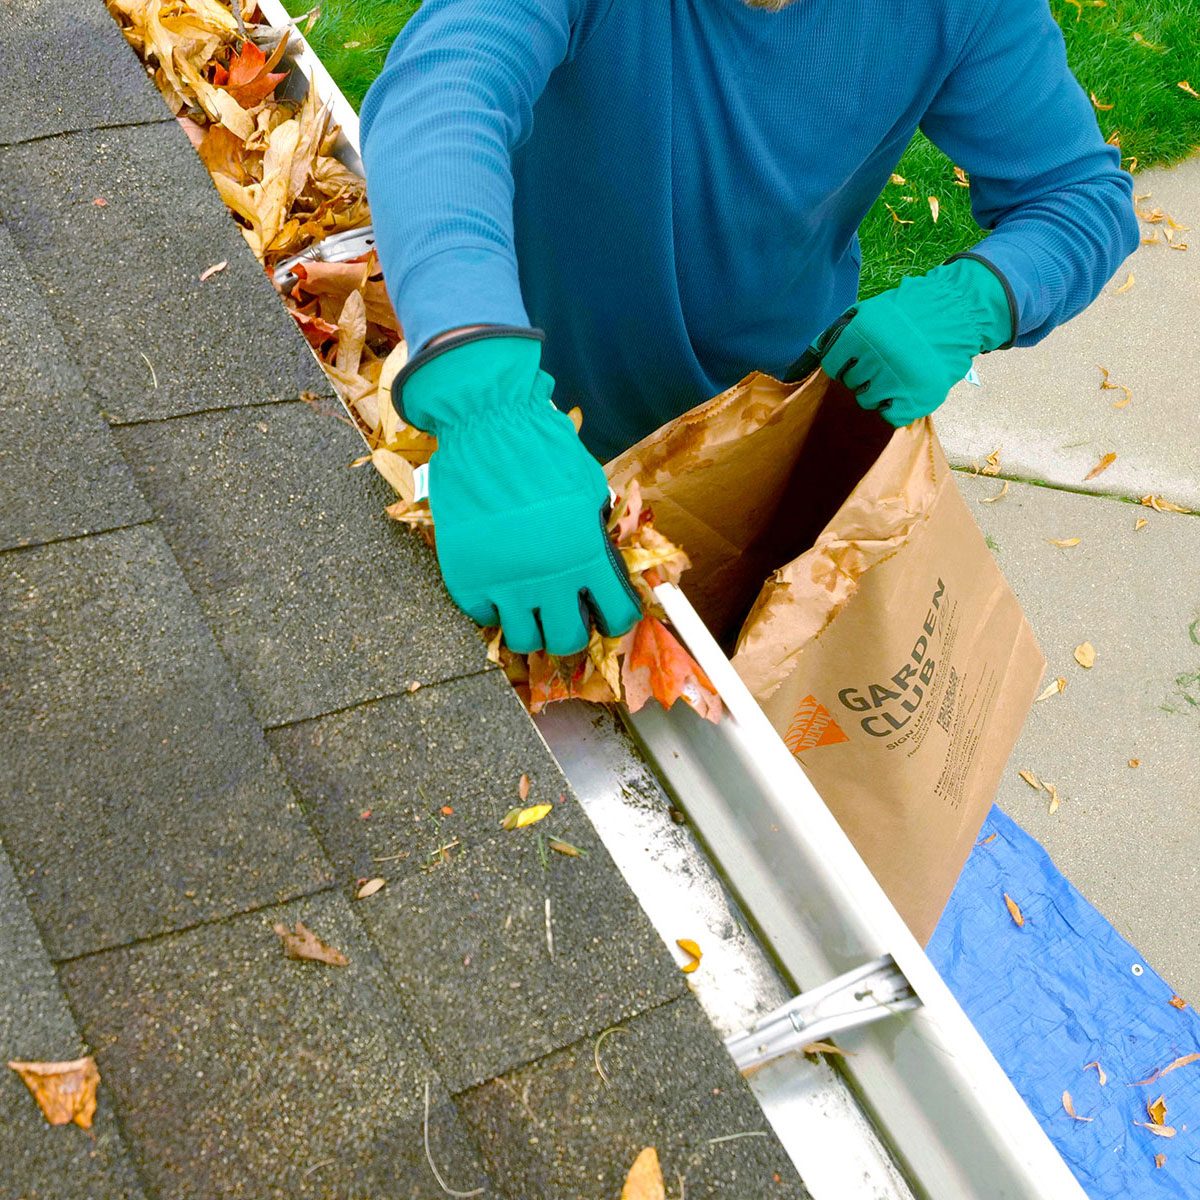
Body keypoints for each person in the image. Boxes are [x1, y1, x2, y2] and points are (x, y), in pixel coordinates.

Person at [361, 0, 1138, 657]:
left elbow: (1078, 197)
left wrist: (978, 299)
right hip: (520, 431)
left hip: (762, 449)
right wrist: (481, 395)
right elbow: (443, 97)